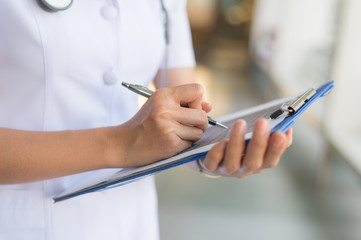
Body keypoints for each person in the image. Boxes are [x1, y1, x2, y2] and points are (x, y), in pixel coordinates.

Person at [0, 1, 292, 239]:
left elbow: (188, 108)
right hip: (21, 221)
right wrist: (122, 145)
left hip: (129, 221)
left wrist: (215, 153)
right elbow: (131, 141)